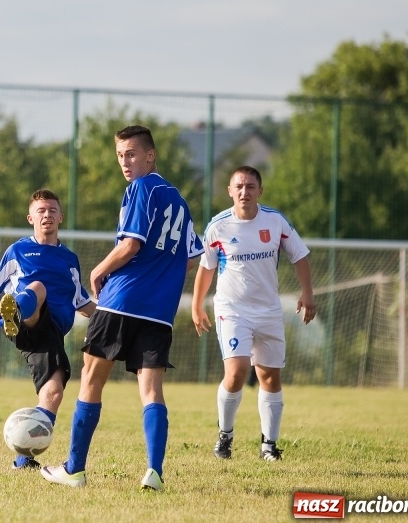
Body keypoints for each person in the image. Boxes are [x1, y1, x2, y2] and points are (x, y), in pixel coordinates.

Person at [40, 125, 203, 491]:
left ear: (150, 155)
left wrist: (98, 270)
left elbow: (131, 245)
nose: (125, 162)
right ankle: (154, 471)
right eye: (119, 155)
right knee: (151, 389)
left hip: (122, 300)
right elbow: (192, 257)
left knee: (92, 378)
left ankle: (74, 469)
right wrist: (161, 275)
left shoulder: (141, 188)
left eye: (131, 154)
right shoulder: (179, 201)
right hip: (160, 311)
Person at [0, 189, 96, 470]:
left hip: (51, 335)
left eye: (52, 210)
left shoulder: (70, 259)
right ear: (30, 218)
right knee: (37, 287)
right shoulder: (18, 251)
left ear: (61, 217)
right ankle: (15, 312)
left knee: (54, 392)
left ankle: (24, 460)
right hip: (26, 323)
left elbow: (82, 302)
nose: (47, 215)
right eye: (41, 211)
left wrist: (114, 319)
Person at [191, 165, 316, 462]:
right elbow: (206, 268)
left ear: (260, 191)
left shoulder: (275, 221)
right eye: (239, 186)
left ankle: (269, 446)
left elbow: (300, 255)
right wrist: (197, 305)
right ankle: (225, 435)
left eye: (250, 186)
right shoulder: (218, 226)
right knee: (236, 372)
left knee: (269, 377)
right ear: (230, 191)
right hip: (232, 310)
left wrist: (308, 294)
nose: (244, 192)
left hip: (268, 310)